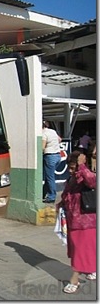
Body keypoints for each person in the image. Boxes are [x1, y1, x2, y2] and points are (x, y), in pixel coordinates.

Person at [56, 151, 96, 294]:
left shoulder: (86, 176)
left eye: (73, 168)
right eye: (69, 167)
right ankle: (92, 268)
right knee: (78, 249)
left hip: (86, 222)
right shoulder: (71, 179)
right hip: (73, 220)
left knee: (80, 250)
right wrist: (61, 204)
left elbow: (93, 182)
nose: (70, 170)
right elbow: (67, 195)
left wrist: (82, 167)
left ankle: (75, 279)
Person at [42, 121, 62, 203]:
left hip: (50, 156)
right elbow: (60, 139)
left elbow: (42, 147)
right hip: (58, 156)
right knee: (49, 177)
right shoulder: (52, 131)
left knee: (50, 178)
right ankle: (42, 193)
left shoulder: (44, 134)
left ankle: (52, 196)